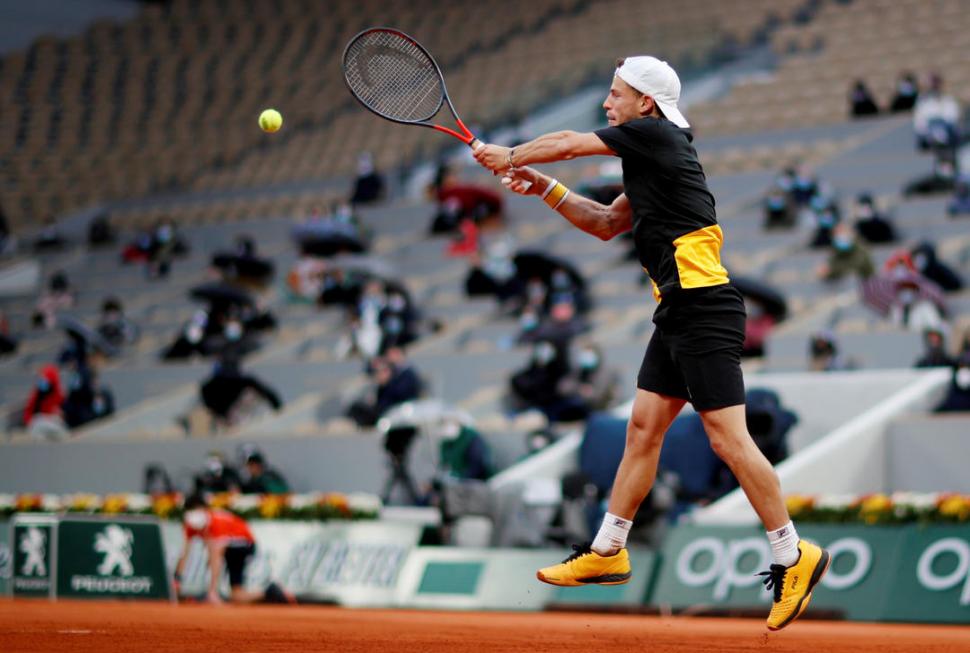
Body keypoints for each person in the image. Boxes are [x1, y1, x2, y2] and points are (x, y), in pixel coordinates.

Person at [473, 55, 828, 631]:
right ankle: (609, 550)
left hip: (704, 307)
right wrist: (539, 186)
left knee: (728, 440)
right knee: (642, 429)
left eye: (616, 94)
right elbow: (604, 223)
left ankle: (793, 554)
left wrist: (510, 155)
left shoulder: (657, 134)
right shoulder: (651, 160)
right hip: (678, 310)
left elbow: (565, 142)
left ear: (645, 103)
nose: (607, 104)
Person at [173, 493, 294, 604]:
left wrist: (212, 580)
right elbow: (185, 552)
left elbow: (216, 552)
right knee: (236, 595)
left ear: (205, 509)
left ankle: (212, 593)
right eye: (190, 511)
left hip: (244, 543)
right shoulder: (190, 526)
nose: (192, 514)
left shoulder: (216, 521)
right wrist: (177, 579)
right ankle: (270, 592)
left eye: (195, 510)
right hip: (230, 549)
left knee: (215, 550)